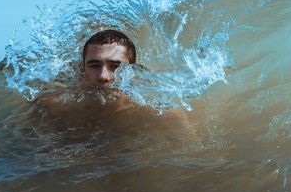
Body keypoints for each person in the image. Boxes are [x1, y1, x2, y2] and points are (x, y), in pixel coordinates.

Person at [35, 29, 198, 143]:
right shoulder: (55, 105)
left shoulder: (162, 112)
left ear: (134, 71)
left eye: (115, 65)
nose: (103, 77)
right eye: (94, 65)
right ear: (82, 70)